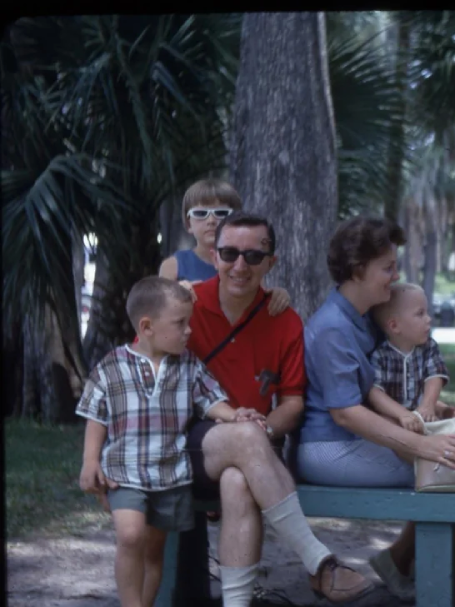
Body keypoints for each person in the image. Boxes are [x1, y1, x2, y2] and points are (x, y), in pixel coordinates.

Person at [184, 211, 372, 606]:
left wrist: (262, 432)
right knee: (242, 441)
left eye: (254, 256)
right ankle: (318, 561)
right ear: (214, 256)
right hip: (188, 446)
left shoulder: (283, 319)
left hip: (255, 447)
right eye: (229, 253)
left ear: (271, 263)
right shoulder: (186, 305)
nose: (240, 266)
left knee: (238, 481)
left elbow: (292, 405)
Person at [289, 216, 455, 603]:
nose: (395, 275)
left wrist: (430, 406)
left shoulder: (362, 319)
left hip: (357, 440)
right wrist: (420, 446)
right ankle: (421, 582)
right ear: (358, 270)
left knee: (452, 459)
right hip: (328, 447)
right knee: (445, 469)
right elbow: (345, 413)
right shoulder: (332, 327)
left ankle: (401, 563)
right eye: (387, 267)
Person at [76, 277, 260, 607]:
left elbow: (211, 400)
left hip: (170, 476)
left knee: (154, 549)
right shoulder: (111, 366)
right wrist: (91, 462)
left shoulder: (188, 365)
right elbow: (96, 416)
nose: (189, 331)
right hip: (124, 473)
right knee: (131, 536)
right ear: (146, 326)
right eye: (180, 324)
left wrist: (234, 416)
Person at [159, 178, 289, 315]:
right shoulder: (173, 265)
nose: (211, 221)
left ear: (237, 219)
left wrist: (278, 295)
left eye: (221, 213)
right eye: (200, 213)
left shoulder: (247, 263)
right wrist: (175, 295)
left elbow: (256, 301)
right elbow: (156, 311)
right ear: (188, 223)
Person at [368, 282, 455, 433]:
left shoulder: (429, 347)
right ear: (394, 326)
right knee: (386, 424)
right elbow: (375, 393)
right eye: (420, 313)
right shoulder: (381, 355)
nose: (428, 319)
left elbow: (435, 376)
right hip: (394, 415)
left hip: (422, 411)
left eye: (427, 312)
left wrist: (427, 405)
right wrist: (402, 414)